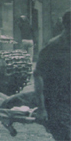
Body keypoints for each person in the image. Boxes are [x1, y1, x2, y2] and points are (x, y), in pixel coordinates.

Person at [34, 10, 70, 140]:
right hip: (56, 103)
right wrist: (41, 108)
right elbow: (38, 75)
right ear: (67, 26)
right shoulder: (53, 47)